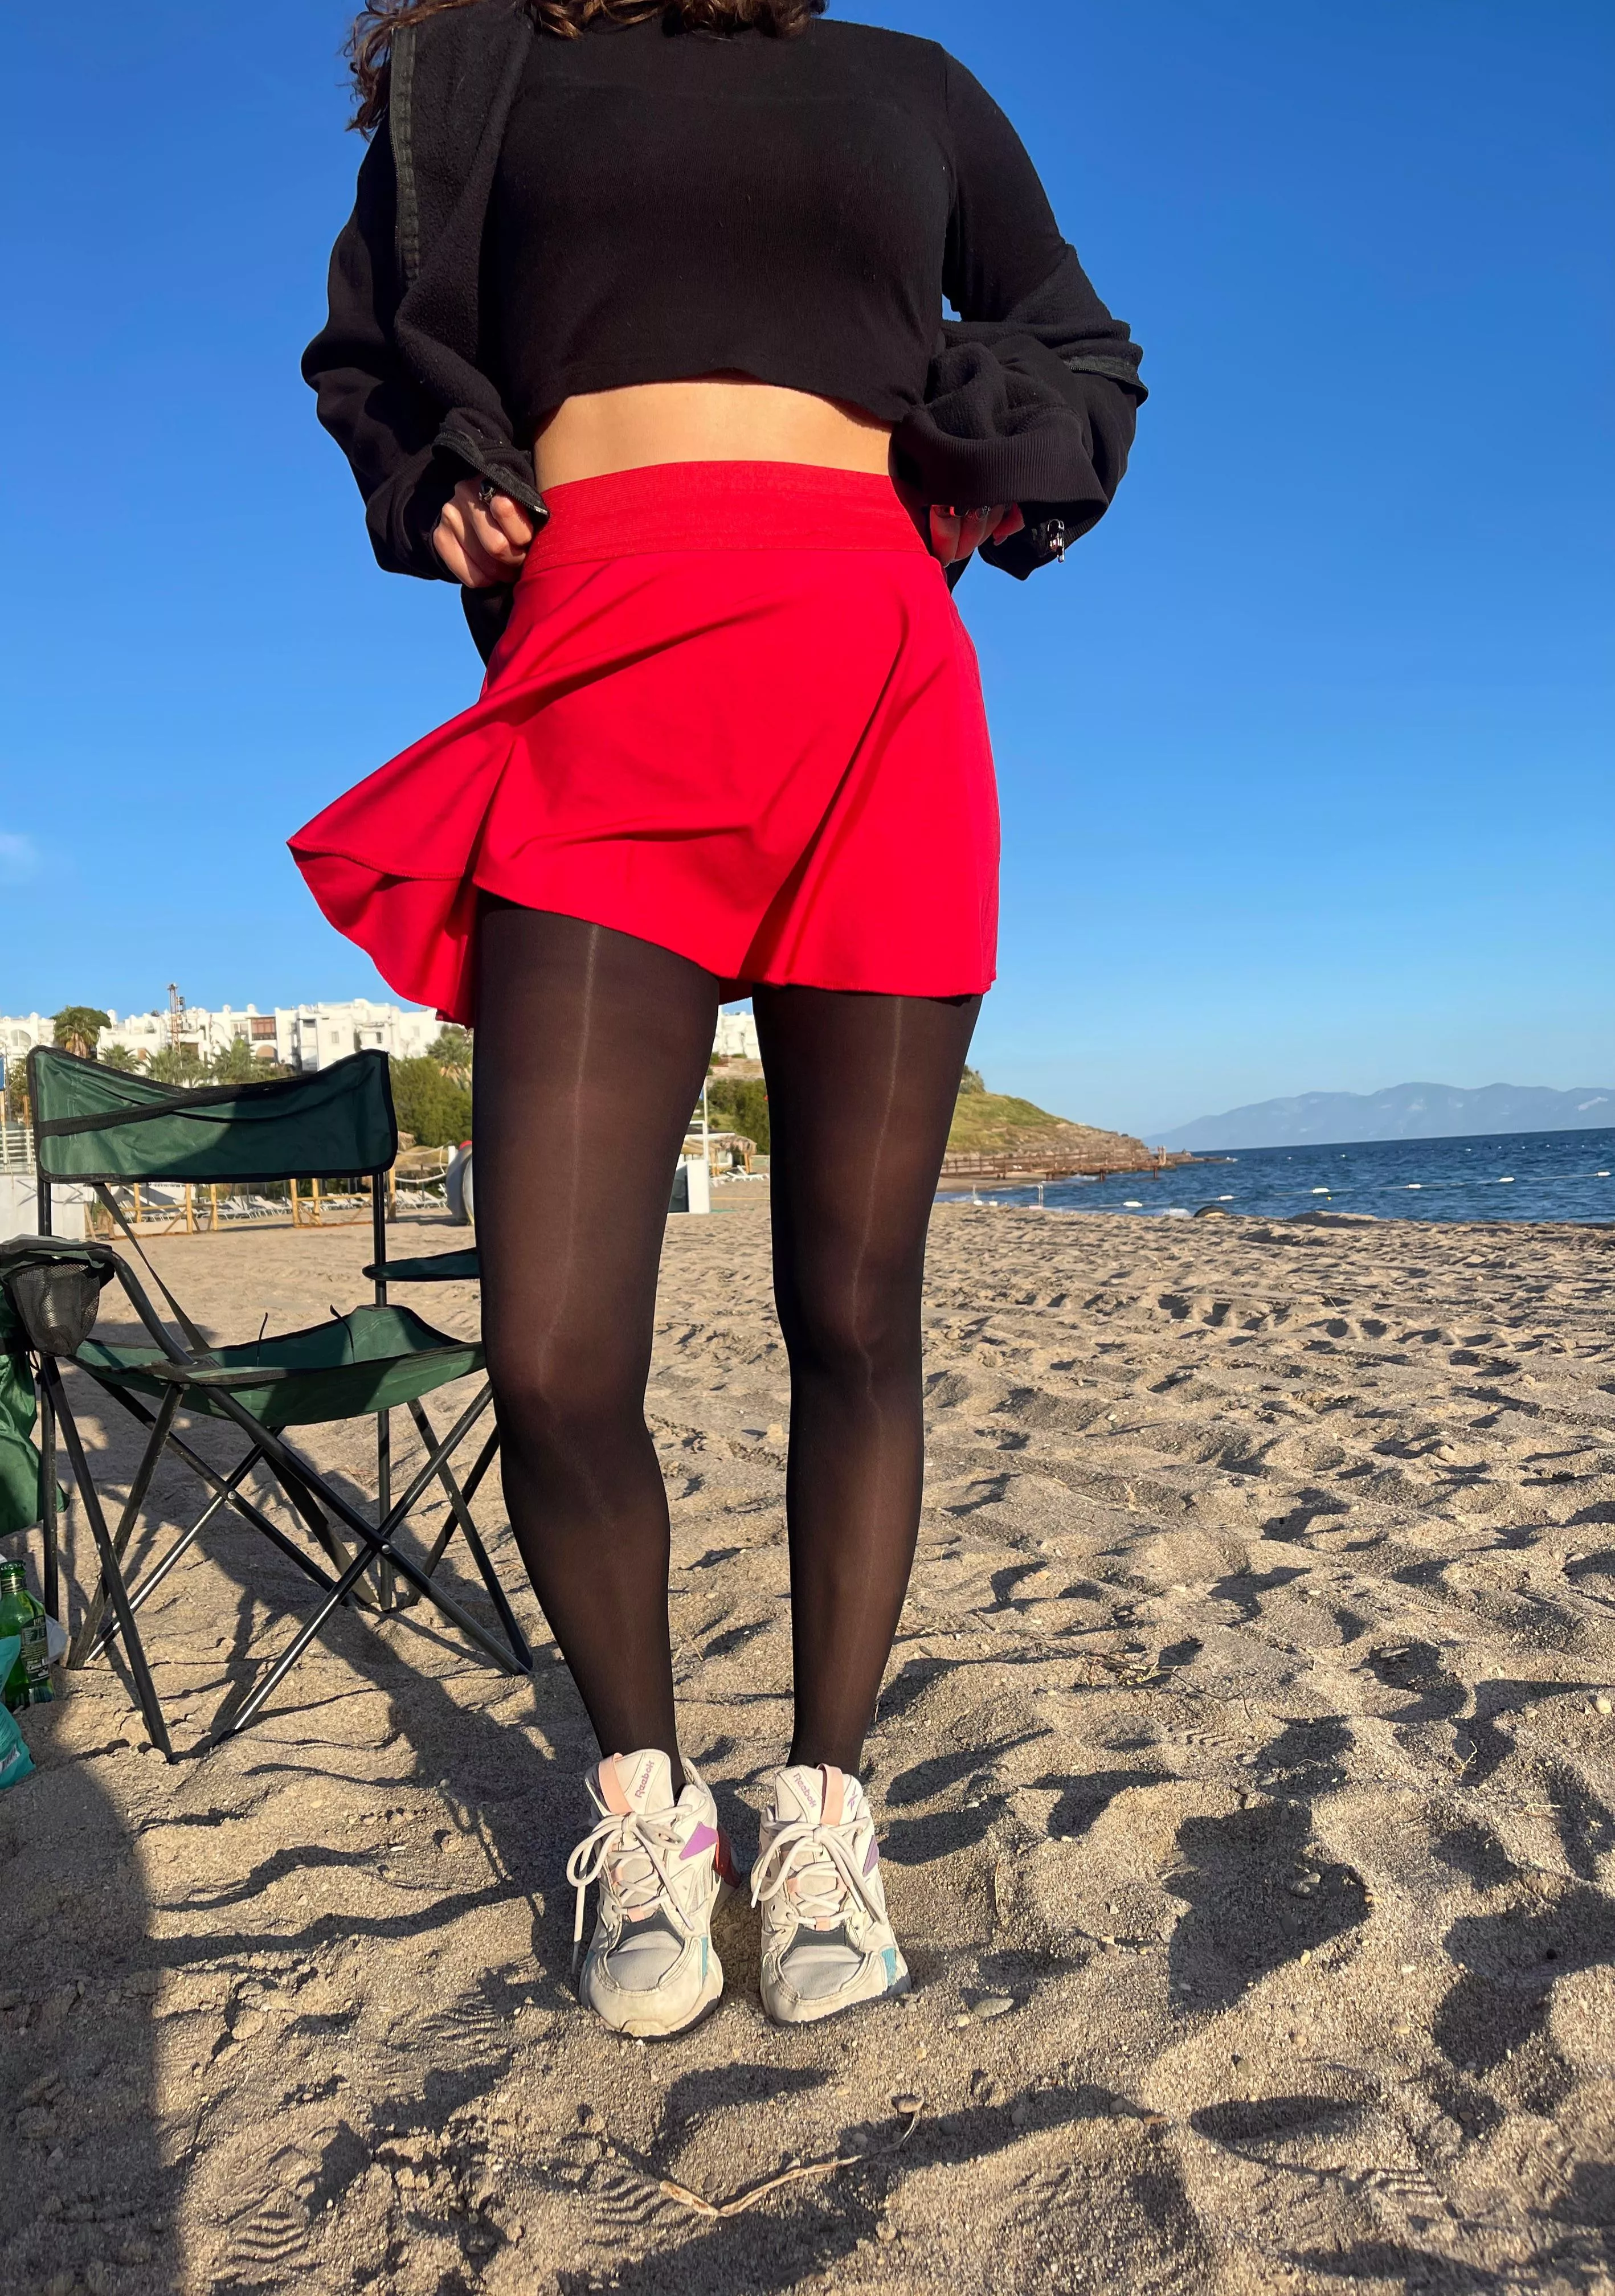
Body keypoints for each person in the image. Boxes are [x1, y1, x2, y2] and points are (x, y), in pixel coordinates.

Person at [296, 0, 1143, 2039]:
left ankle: (827, 1804)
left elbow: (1084, 349)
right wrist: (433, 484)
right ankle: (646, 1803)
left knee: (852, 1309)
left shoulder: (913, 85)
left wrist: (975, 451)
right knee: (549, 1344)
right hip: (603, 657)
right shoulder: (480, 82)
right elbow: (368, 359)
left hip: (866, 664)